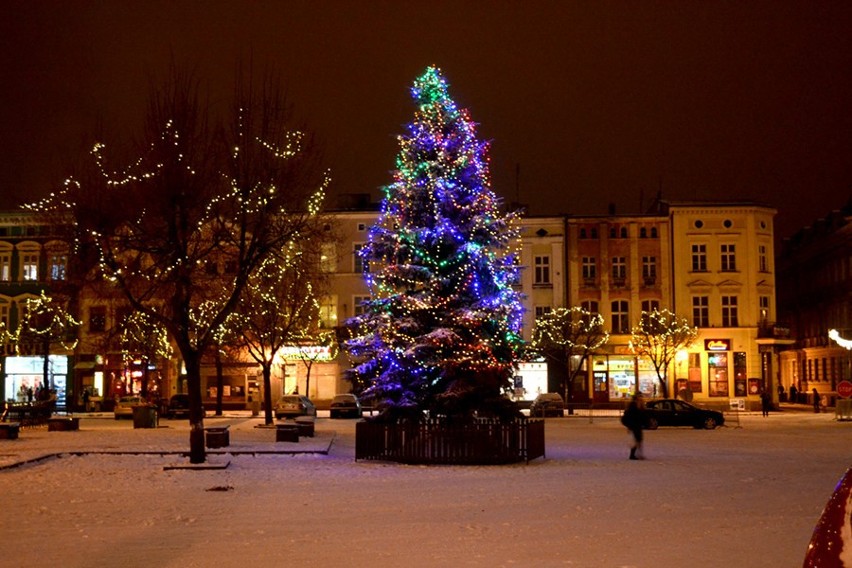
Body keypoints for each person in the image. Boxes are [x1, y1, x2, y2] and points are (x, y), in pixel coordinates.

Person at [621, 392, 646, 460]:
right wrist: (629, 426)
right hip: (634, 425)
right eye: (639, 396)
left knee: (639, 439)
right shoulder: (633, 405)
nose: (641, 398)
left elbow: (642, 415)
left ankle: (637, 454)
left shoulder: (640, 404)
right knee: (637, 440)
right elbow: (632, 415)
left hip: (638, 425)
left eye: (641, 396)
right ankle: (633, 455)